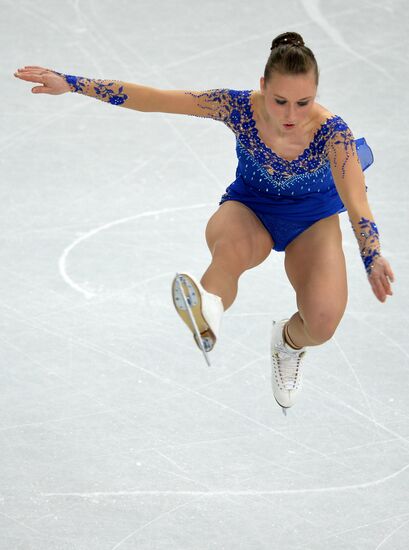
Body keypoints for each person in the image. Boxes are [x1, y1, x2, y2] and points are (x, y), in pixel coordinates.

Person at [14, 31, 395, 412]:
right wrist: (73, 84)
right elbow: (154, 99)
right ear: (262, 87)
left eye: (303, 102)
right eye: (280, 101)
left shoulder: (333, 134)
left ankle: (287, 342)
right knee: (229, 253)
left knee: (323, 323)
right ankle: (208, 307)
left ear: (315, 93)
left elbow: (357, 202)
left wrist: (372, 256)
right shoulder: (236, 106)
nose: (291, 115)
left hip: (312, 219)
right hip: (251, 209)